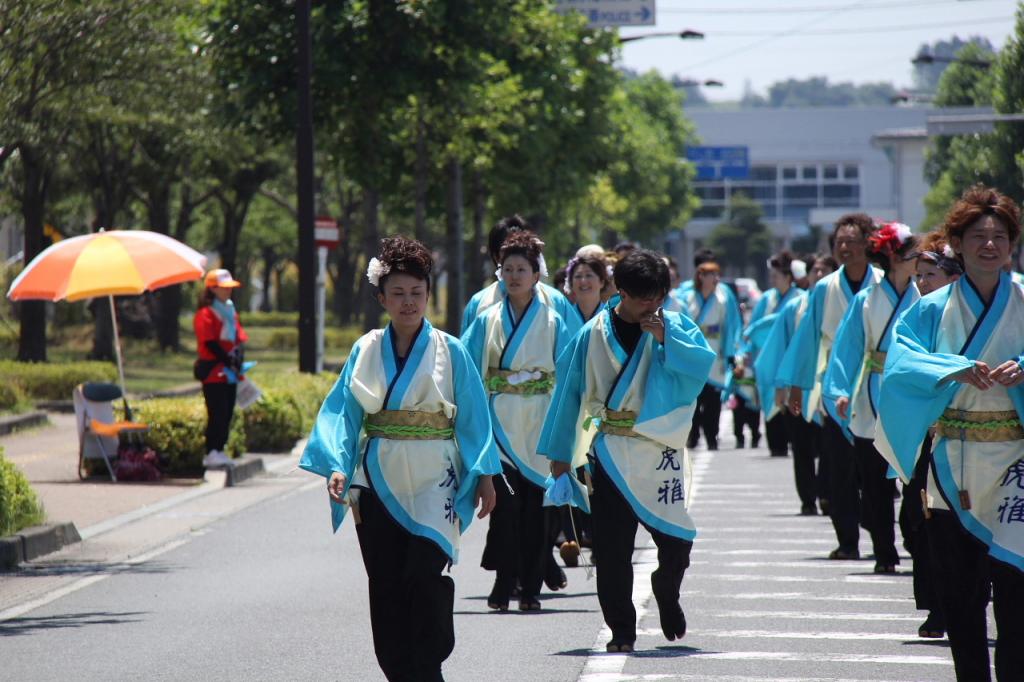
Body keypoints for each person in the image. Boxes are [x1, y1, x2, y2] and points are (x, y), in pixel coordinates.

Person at [300, 237, 499, 682]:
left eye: (416, 293)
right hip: (377, 479)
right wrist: (337, 463)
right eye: (398, 294)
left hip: (436, 479)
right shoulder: (366, 349)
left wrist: (484, 474)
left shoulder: (452, 350)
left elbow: (473, 418)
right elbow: (344, 414)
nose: (408, 302)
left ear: (429, 294)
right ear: (381, 298)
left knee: (426, 577)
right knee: (386, 584)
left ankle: (428, 663)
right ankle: (400, 670)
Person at [876, 186, 1024, 681]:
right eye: (977, 236)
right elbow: (900, 366)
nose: (989, 245)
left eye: (999, 236)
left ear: (1012, 244)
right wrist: (951, 369)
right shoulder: (930, 308)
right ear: (956, 245)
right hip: (951, 463)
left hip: (1015, 465)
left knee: (1016, 596)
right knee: (960, 596)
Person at [539, 250, 715, 653]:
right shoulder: (592, 334)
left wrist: (665, 339)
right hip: (611, 451)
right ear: (620, 292)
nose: (651, 307)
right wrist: (560, 455)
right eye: (642, 299)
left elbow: (699, 367)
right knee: (612, 549)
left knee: (677, 541)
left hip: (657, 451)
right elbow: (569, 393)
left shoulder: (674, 326)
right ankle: (621, 629)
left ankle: (666, 590)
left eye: (658, 298)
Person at [462, 231, 573, 611]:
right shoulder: (486, 319)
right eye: (507, 269)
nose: (514, 276)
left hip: (541, 423)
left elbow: (570, 375)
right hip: (500, 423)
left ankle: (530, 588)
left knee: (536, 515)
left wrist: (568, 430)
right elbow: (466, 371)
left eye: (521, 269)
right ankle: (504, 581)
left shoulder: (555, 320)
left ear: (536, 274)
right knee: (505, 513)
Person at [778, 214, 883, 559]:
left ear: (869, 244)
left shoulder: (884, 284)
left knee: (876, 471)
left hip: (877, 386)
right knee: (838, 468)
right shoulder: (824, 288)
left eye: (852, 241)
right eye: (839, 242)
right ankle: (848, 541)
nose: (845, 248)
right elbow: (808, 337)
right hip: (835, 386)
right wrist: (797, 385)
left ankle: (882, 538)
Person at [823, 222, 920, 574]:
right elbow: (847, 348)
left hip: (912, 397)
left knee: (913, 483)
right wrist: (840, 390)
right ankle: (884, 552)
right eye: (910, 253)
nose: (917, 260)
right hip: (871, 394)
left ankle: (914, 540)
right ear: (893, 256)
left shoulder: (923, 294)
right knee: (875, 484)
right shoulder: (866, 299)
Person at [894, 230, 963, 640]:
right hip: (934, 430)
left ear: (953, 274)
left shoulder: (1009, 303)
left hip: (999, 435)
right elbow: (903, 362)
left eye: (930, 274)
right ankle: (939, 605)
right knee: (925, 520)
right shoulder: (921, 312)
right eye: (918, 275)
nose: (921, 283)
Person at [755, 254, 837, 515]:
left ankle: (826, 493)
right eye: (816, 271)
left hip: (830, 387)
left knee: (829, 446)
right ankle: (807, 499)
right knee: (801, 447)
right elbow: (780, 347)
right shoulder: (795, 307)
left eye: (826, 271)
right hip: (798, 388)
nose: (820, 275)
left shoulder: (844, 303)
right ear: (808, 276)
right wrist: (781, 385)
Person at [460, 214, 577, 336]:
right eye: (508, 250)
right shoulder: (479, 303)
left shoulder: (555, 300)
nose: (515, 275)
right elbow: (467, 353)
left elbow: (573, 349)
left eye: (520, 249)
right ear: (496, 256)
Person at [673, 260, 741, 451]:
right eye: (712, 275)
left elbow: (728, 328)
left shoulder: (722, 299)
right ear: (701, 276)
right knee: (693, 400)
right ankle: (692, 436)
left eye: (717, 275)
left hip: (714, 352)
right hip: (693, 353)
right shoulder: (687, 298)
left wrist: (730, 354)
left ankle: (712, 436)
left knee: (713, 402)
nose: (716, 279)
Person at [743, 251, 805, 456]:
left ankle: (796, 441)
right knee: (770, 398)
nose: (772, 280)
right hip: (769, 358)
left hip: (791, 357)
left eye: (776, 276)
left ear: (788, 277)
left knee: (792, 402)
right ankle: (776, 444)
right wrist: (746, 355)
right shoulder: (766, 299)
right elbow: (752, 329)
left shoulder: (800, 299)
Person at [193, 269, 249, 469]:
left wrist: (238, 358)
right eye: (224, 288)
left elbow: (239, 337)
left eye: (229, 288)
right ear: (212, 289)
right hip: (214, 372)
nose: (228, 292)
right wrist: (227, 360)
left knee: (228, 412)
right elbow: (209, 343)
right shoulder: (205, 314)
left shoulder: (231, 311)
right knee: (217, 411)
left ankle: (220, 449)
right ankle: (211, 451)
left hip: (231, 373)